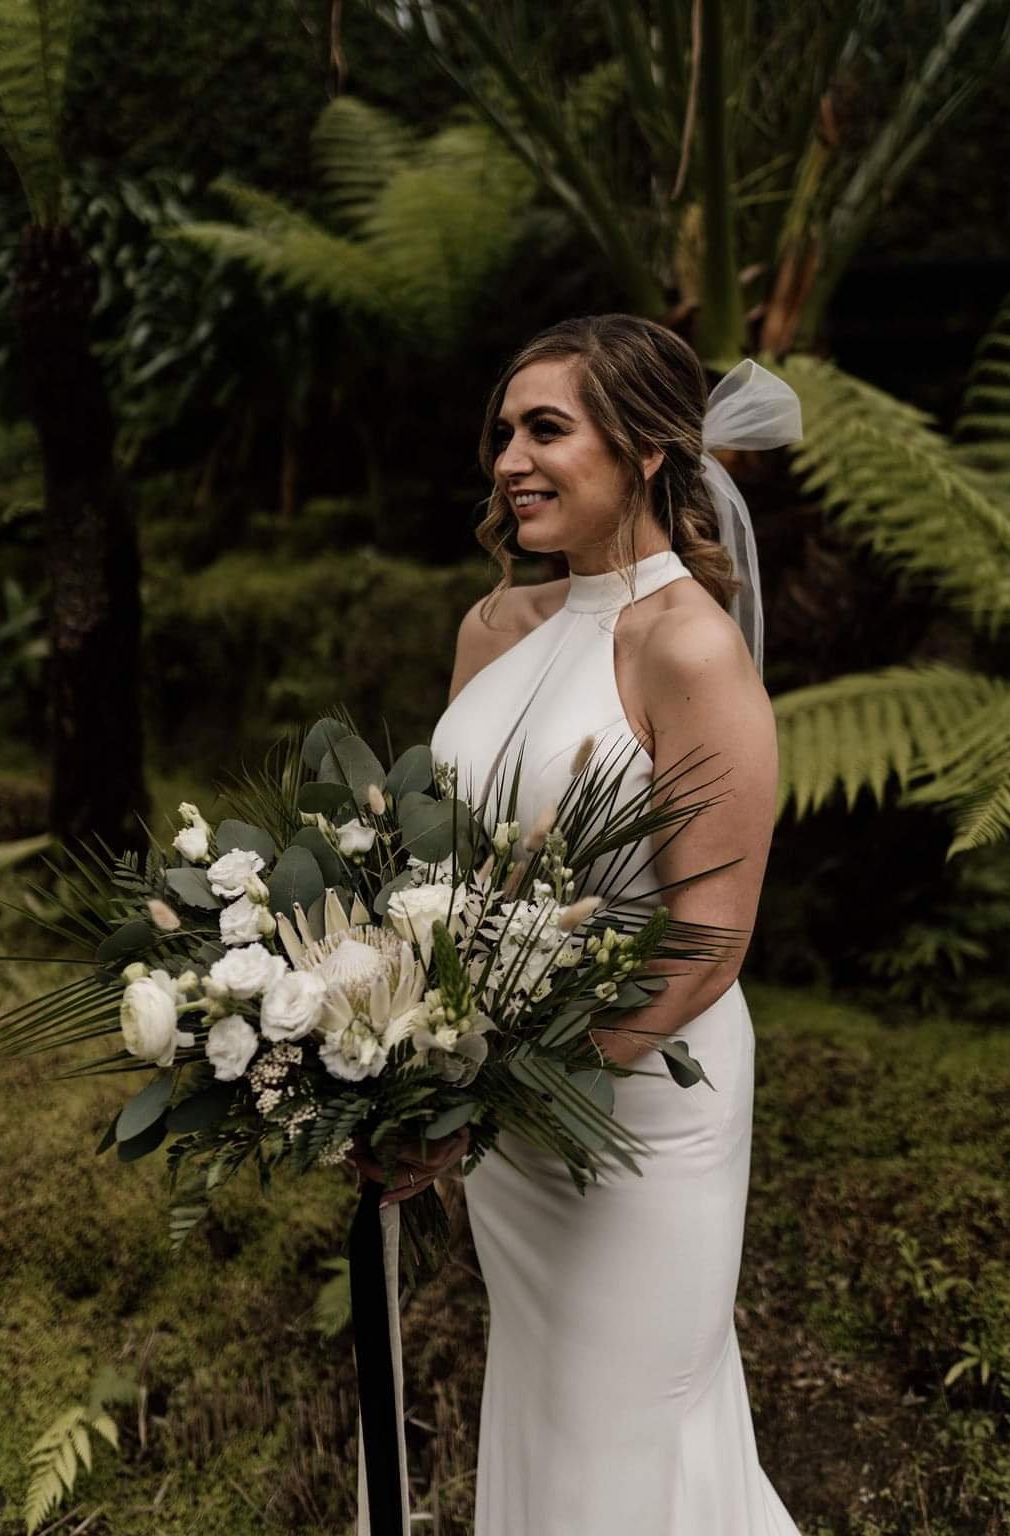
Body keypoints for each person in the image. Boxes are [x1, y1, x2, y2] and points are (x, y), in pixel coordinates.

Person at [349, 313, 802, 1534]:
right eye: (504, 430)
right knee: (551, 1412)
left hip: (644, 1098)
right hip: (506, 1113)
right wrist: (393, 1060)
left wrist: (511, 1093)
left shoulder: (690, 644)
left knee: (632, 1424)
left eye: (547, 428)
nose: (510, 457)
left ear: (646, 452)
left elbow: (706, 938)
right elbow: (439, 869)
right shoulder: (492, 626)